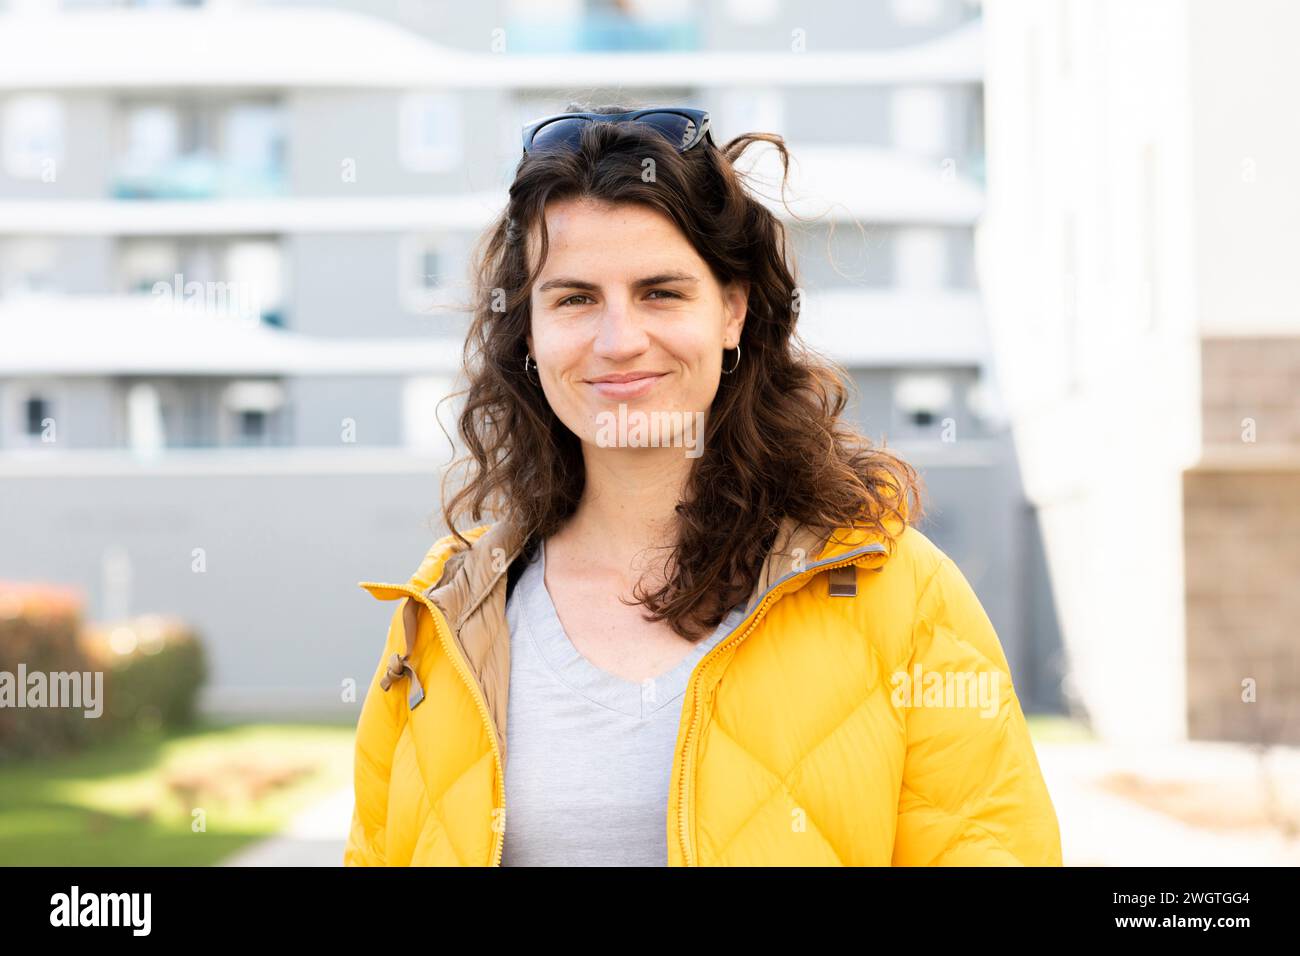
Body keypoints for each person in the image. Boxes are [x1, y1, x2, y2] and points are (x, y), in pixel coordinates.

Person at [345, 105, 1062, 866]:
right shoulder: (447, 615)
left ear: (733, 309)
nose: (619, 341)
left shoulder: (898, 593)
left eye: (661, 292)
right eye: (575, 298)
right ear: (530, 331)